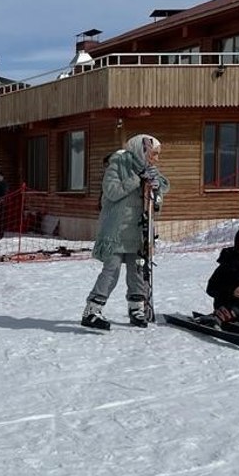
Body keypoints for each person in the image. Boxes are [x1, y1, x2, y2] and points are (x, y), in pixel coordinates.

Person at [82, 134, 170, 330]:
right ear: (142, 150)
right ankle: (92, 309)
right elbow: (112, 191)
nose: (156, 158)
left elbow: (156, 203)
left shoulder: (150, 171)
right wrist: (136, 180)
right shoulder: (118, 165)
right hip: (116, 231)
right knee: (111, 270)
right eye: (153, 154)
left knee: (137, 270)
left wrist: (156, 192)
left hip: (139, 232)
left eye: (157, 155)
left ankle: (136, 308)